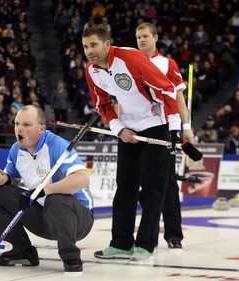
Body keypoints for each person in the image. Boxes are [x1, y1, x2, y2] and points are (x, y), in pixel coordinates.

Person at [82, 27, 181, 262]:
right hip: (128, 130)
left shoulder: (131, 58)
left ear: (107, 44)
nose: (89, 51)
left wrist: (175, 128)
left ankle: (146, 245)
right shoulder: (92, 70)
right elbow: (103, 105)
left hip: (155, 125)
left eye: (94, 45)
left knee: (153, 186)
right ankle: (121, 243)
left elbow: (167, 90)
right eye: (86, 47)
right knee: (125, 185)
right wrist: (119, 129)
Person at [0, 105, 94, 275]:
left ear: (41, 129)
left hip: (77, 219)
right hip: (44, 216)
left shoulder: (56, 145)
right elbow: (12, 179)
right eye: (17, 124)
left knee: (55, 198)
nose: (19, 128)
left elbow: (82, 178)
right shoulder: (16, 150)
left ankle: (71, 257)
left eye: (26, 125)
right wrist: (4, 179)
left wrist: (44, 190)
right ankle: (21, 251)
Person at [135, 22, 195, 252]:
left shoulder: (167, 63)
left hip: (163, 129)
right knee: (139, 182)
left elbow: (179, 97)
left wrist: (185, 127)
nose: (141, 40)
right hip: (137, 130)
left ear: (156, 37)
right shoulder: (129, 62)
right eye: (138, 37)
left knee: (168, 181)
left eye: (145, 36)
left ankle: (173, 234)